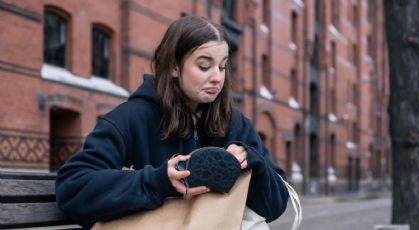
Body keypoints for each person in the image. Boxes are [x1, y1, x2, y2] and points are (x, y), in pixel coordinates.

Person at [55, 15, 289, 228]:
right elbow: (73, 187)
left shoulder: (235, 124)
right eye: (204, 66)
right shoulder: (131, 118)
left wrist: (252, 162)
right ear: (175, 67)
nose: (217, 77)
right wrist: (158, 181)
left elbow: (275, 206)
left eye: (222, 66)